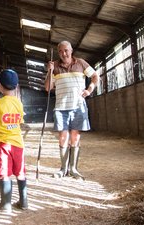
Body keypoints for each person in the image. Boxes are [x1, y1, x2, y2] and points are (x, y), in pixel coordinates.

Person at [45, 40, 99, 179]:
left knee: (75, 137)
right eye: (61, 51)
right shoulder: (55, 66)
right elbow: (48, 87)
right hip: (61, 107)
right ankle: (63, 169)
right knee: (63, 137)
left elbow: (95, 76)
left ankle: (73, 168)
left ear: (71, 50)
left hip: (78, 107)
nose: (63, 53)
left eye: (66, 50)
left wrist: (89, 90)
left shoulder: (80, 63)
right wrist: (49, 71)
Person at [0, 69, 27, 213]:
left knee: (5, 173)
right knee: (20, 172)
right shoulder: (18, 103)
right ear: (16, 86)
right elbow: (20, 121)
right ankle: (24, 202)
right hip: (18, 143)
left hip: (4, 144)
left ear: (0, 86)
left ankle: (5, 205)